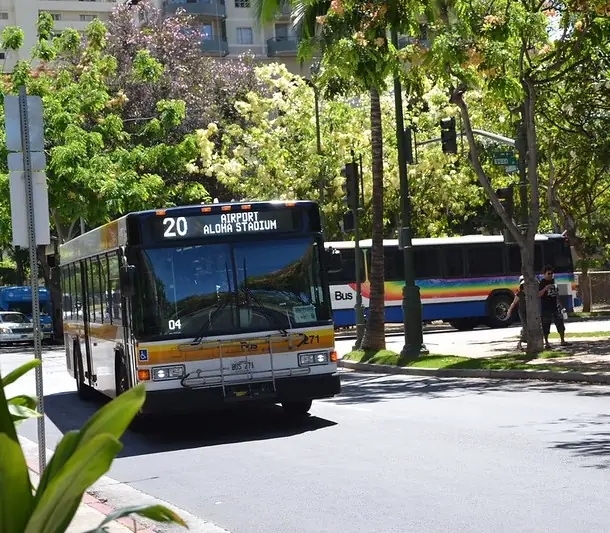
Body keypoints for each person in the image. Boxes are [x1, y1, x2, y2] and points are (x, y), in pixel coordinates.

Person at [538, 265, 568, 349]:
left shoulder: (554, 281)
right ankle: (546, 343)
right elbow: (538, 294)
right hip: (545, 308)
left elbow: (557, 295)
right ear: (544, 274)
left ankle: (562, 340)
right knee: (546, 325)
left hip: (555, 306)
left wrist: (561, 305)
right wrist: (545, 289)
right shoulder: (541, 283)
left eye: (552, 273)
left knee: (560, 323)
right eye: (549, 273)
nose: (551, 275)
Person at [507, 275, 527, 350]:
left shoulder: (531, 292)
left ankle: (524, 340)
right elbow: (514, 303)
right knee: (526, 327)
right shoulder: (519, 294)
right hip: (522, 312)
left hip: (529, 313)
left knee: (528, 328)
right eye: (523, 285)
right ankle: (519, 343)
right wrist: (509, 310)